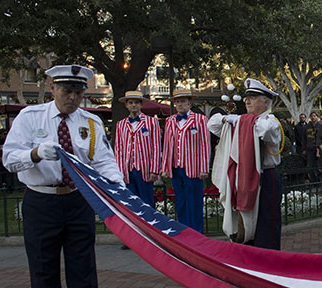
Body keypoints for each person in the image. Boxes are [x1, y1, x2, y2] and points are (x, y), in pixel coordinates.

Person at [2, 65, 123, 288]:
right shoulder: (30, 119)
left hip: (77, 200)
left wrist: (118, 184)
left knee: (83, 267)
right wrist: (35, 154)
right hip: (42, 201)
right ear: (53, 89)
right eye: (66, 91)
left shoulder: (91, 122)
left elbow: (103, 160)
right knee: (43, 270)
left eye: (78, 92)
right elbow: (8, 158)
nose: (73, 98)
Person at [209, 79, 284, 249]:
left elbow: (263, 130)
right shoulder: (242, 121)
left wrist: (241, 121)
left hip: (266, 178)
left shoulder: (271, 122)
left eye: (253, 97)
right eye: (246, 98)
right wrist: (229, 119)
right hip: (244, 176)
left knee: (267, 223)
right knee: (246, 221)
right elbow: (212, 124)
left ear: (266, 102)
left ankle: (269, 263)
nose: (247, 101)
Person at [160, 89, 210, 233]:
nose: (180, 104)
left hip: (193, 168)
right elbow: (167, 145)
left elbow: (205, 145)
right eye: (177, 102)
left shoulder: (200, 119)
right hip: (177, 167)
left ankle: (197, 232)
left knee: (194, 201)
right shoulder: (170, 121)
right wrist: (165, 167)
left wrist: (204, 167)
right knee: (180, 201)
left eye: (183, 101)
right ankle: (184, 231)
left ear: (190, 103)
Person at [114, 90, 162, 208]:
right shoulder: (121, 124)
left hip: (144, 169)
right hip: (128, 170)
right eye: (130, 102)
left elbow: (156, 146)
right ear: (126, 105)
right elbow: (118, 149)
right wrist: (120, 171)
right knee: (130, 202)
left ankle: (148, 225)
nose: (133, 105)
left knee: (147, 202)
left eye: (136, 102)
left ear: (141, 104)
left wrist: (154, 170)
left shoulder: (152, 122)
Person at [301, 111, 321, 183]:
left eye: (314, 116)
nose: (313, 117)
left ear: (317, 117)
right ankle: (313, 181)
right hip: (309, 148)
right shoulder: (306, 127)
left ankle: (319, 181)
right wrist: (304, 149)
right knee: (310, 166)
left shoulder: (320, 126)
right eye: (312, 116)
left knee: (318, 166)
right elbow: (303, 139)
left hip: (318, 148)